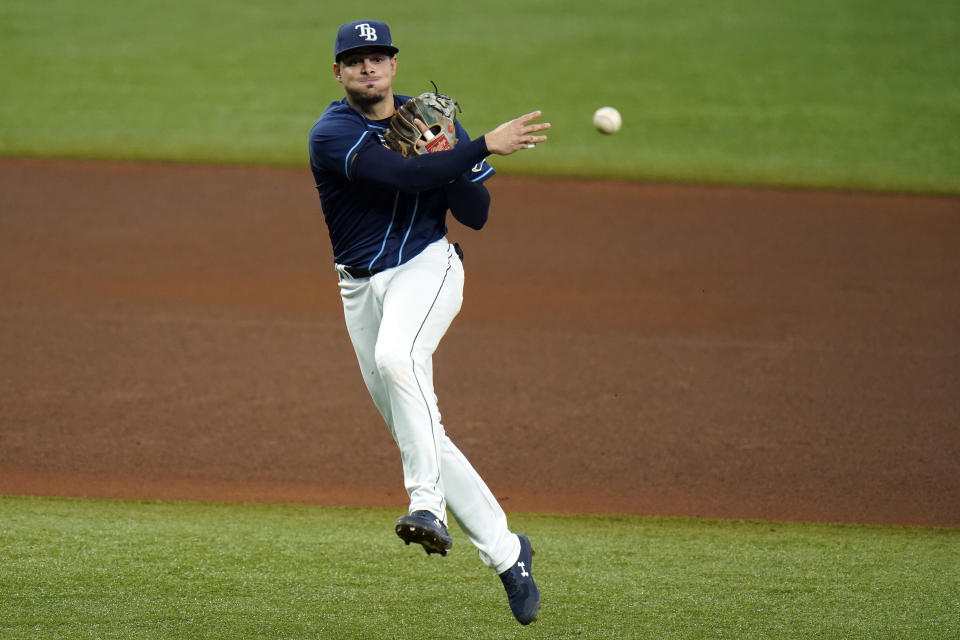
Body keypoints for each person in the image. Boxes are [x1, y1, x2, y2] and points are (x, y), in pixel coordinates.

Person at [307, 20, 550, 625]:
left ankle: (427, 507)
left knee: (398, 359)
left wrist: (453, 151)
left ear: (394, 63)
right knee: (420, 431)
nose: (368, 67)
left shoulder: (436, 122)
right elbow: (402, 175)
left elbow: (478, 214)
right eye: (355, 60)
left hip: (427, 266)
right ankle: (507, 552)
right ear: (338, 72)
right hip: (358, 287)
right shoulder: (332, 133)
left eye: (378, 56)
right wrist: (478, 147)